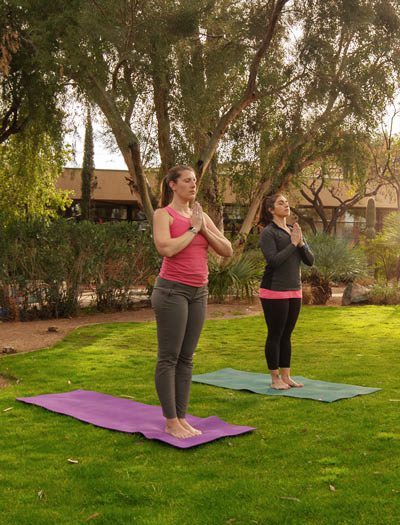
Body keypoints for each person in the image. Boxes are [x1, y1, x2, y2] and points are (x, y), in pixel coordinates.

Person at [151, 165, 233, 439]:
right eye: (187, 180)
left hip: (199, 292)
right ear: (172, 185)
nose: (193, 185)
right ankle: (171, 421)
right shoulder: (163, 215)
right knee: (169, 357)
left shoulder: (201, 216)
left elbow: (227, 250)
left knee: (187, 358)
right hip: (172, 292)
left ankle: (182, 418)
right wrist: (191, 230)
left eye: (195, 181)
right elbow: (166, 248)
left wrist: (203, 229)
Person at [259, 194, 314, 390]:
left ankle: (286, 376)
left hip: (294, 290)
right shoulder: (268, 233)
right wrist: (293, 244)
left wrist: (299, 243)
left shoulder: (294, 231)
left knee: (287, 335)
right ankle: (275, 379)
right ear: (271, 210)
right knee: (275, 334)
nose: (286, 205)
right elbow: (273, 260)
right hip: (273, 290)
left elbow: (310, 260)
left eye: (287, 202)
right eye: (280, 203)